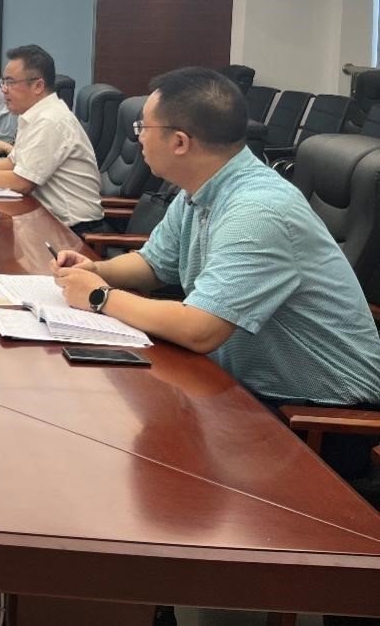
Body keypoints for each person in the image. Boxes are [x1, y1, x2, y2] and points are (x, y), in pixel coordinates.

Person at [51, 68, 380, 471]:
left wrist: (99, 297)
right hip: (238, 387)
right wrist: (97, 270)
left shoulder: (258, 210)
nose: (138, 138)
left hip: (317, 419)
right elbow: (153, 264)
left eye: (143, 128)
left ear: (180, 142)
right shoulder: (201, 189)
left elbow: (201, 329)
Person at [0, 45, 103, 232]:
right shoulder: (33, 115)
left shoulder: (50, 120)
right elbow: (12, 163)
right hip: (44, 218)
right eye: (3, 82)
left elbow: (22, 183)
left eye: (10, 83)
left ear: (38, 86)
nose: (3, 90)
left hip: (74, 231)